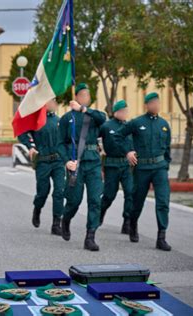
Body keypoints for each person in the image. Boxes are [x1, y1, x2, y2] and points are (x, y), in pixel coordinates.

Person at [115, 92, 172, 251]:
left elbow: (167, 148)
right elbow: (118, 136)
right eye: (152, 103)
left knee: (163, 201)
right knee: (137, 201)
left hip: (159, 168)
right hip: (142, 169)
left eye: (158, 102)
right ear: (146, 105)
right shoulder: (137, 122)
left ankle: (161, 237)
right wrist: (128, 151)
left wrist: (166, 164)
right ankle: (132, 224)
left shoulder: (164, 124)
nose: (156, 105)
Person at [57, 83, 107, 251]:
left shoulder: (93, 115)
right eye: (83, 94)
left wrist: (84, 109)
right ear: (76, 96)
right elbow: (60, 144)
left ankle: (90, 236)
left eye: (88, 95)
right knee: (74, 200)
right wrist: (66, 161)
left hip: (93, 162)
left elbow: (103, 118)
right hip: (76, 164)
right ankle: (66, 219)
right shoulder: (67, 119)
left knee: (94, 200)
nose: (86, 97)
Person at [18, 99, 65, 235]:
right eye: (52, 101)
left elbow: (67, 140)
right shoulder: (36, 120)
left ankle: (57, 223)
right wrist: (30, 146)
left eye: (56, 101)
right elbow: (22, 133)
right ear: (44, 104)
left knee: (59, 192)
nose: (55, 104)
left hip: (58, 162)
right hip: (43, 162)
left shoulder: (59, 120)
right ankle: (37, 209)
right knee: (43, 192)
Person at [98, 100, 133, 234]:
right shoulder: (106, 126)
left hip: (126, 165)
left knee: (130, 193)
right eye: (123, 111)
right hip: (111, 165)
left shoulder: (129, 126)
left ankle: (127, 222)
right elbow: (93, 137)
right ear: (116, 112)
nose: (125, 114)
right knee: (109, 195)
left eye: (126, 111)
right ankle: (100, 214)